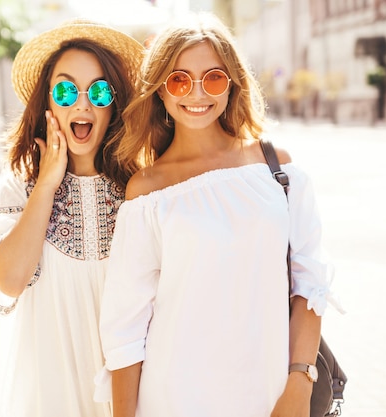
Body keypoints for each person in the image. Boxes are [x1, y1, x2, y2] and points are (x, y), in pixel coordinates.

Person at [95, 12, 343, 417]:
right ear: (160, 89)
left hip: (271, 390)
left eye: (213, 78)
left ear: (232, 85)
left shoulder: (275, 168)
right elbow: (126, 325)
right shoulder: (148, 191)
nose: (196, 93)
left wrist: (300, 381)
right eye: (179, 79)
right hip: (175, 396)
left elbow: (310, 283)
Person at [0, 19, 144, 417]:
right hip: (52, 393)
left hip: (135, 391)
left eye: (100, 90)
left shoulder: (142, 186)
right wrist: (47, 185)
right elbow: (10, 280)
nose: (82, 104)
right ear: (48, 103)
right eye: (67, 89)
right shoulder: (22, 188)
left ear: (116, 104)